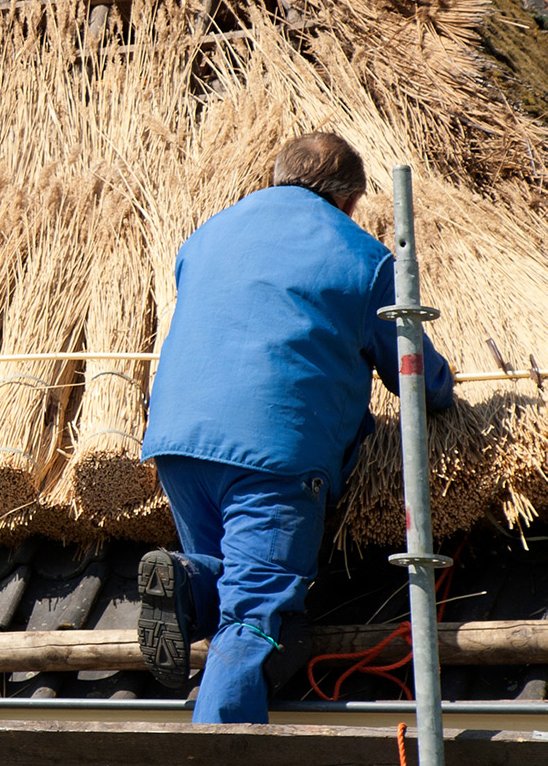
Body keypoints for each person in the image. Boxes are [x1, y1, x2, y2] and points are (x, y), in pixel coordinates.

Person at [138, 132, 453, 724]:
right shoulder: (361, 256)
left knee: (229, 575)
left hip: (178, 441)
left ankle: (184, 579)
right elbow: (410, 369)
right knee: (255, 617)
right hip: (274, 449)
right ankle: (214, 753)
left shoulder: (206, 235)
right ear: (349, 201)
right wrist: (444, 387)